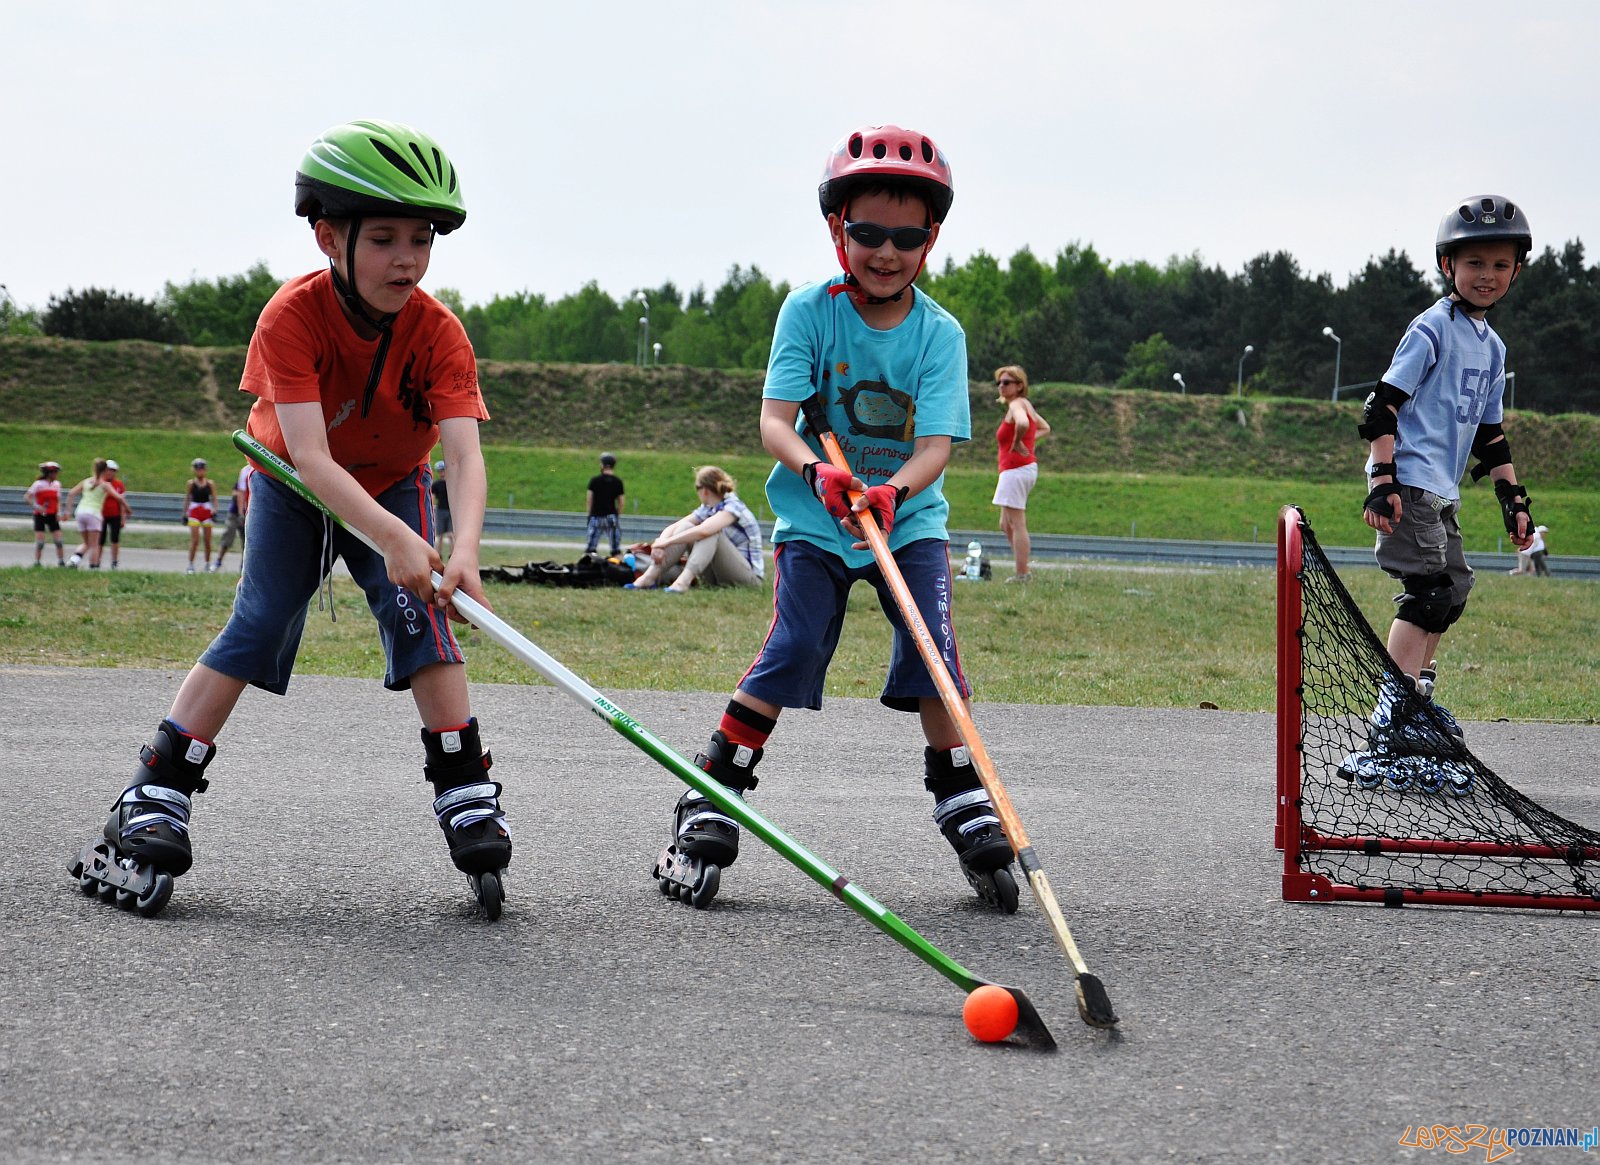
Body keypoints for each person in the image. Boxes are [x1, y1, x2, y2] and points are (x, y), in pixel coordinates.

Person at [69, 119, 512, 920]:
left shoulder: (440, 332)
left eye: (421, 239)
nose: (407, 259)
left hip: (395, 481)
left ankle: (465, 786)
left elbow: (465, 455)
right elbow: (310, 456)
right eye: (384, 239)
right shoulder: (292, 317)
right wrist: (394, 538)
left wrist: (465, 549)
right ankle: (155, 789)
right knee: (263, 617)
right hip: (292, 482)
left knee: (425, 615)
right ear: (328, 237)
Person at [652, 124, 1018, 913]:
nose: (886, 252)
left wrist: (892, 493)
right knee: (793, 644)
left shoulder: (940, 334)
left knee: (933, 646)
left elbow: (934, 447)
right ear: (836, 230)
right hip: (817, 523)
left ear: (930, 240)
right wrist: (818, 472)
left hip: (906, 521)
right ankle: (713, 786)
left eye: (906, 237)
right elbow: (775, 422)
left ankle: (962, 795)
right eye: (867, 233)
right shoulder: (808, 313)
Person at [1360, 195, 1535, 755]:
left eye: (1500, 265)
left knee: (1452, 592)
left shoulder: (1493, 348)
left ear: (1515, 271)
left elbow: (1490, 434)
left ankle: (1416, 697)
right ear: (1447, 265)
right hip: (1409, 480)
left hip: (1441, 489)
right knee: (1428, 593)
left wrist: (1512, 499)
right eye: (1474, 263)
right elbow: (1381, 406)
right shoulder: (1432, 329)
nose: (1487, 275)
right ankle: (1394, 712)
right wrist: (1382, 480)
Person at [624, 465, 763, 592]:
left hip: (748, 579)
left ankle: (682, 582)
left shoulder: (733, 506)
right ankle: (649, 577)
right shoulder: (708, 508)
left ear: (705, 490)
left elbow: (705, 530)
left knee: (711, 533)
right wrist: (660, 543)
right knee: (686, 527)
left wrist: (667, 542)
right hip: (717, 577)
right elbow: (676, 526)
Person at [991, 364, 1050, 582]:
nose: (1001, 386)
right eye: (999, 383)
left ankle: (1023, 573)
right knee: (1006, 524)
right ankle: (1023, 565)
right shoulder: (1025, 404)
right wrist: (1026, 441)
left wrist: (1017, 442)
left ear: (1019, 385)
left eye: (1006, 382)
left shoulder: (1017, 404)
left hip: (1016, 469)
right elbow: (1045, 428)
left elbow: (1024, 423)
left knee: (1016, 523)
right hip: (1019, 468)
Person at [65, 458, 112, 568]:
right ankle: (93, 567)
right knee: (95, 544)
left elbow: (71, 493)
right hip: (93, 513)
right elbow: (118, 497)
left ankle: (73, 561)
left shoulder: (86, 481)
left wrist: (68, 511)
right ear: (105, 470)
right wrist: (127, 508)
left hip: (80, 512)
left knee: (87, 543)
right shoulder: (104, 484)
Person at [24, 460, 67, 567]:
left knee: (59, 541)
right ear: (49, 473)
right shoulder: (38, 484)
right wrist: (37, 507)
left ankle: (61, 561)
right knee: (40, 542)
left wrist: (59, 512)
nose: (56, 475)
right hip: (40, 515)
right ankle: (37, 562)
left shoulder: (57, 484)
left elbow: (58, 500)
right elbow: (27, 497)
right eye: (55, 472)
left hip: (53, 515)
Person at [584, 452, 625, 557]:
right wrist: (617, 515)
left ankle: (589, 563)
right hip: (611, 517)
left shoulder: (594, 481)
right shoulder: (618, 482)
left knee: (590, 548)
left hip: (596, 516)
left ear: (602, 465)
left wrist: (589, 514)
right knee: (615, 549)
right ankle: (616, 563)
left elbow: (589, 500)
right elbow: (621, 502)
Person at [214, 463, 251, 572]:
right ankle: (218, 561)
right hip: (236, 512)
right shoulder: (245, 471)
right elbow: (239, 493)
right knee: (228, 534)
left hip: (250, 512)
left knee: (247, 541)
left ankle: (244, 567)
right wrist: (241, 513)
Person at [184, 458, 218, 573]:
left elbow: (214, 498)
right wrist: (185, 513)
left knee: (207, 541)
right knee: (195, 540)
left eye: (202, 469)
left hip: (206, 511)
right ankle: (191, 564)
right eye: (198, 469)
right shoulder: (191, 483)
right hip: (194, 511)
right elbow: (187, 498)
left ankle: (207, 564)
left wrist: (215, 510)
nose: (200, 471)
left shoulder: (210, 483)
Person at [100, 459, 133, 569]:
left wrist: (123, 518)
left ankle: (114, 561)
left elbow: (121, 501)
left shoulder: (118, 484)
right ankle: (97, 560)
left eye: (113, 471)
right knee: (100, 539)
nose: (110, 473)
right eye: (108, 470)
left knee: (115, 539)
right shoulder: (100, 483)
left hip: (115, 515)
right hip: (101, 515)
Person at [430, 459, 453, 559]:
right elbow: (433, 497)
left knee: (451, 534)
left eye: (443, 471)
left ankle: (452, 554)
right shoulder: (436, 485)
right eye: (440, 471)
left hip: (451, 511)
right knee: (439, 535)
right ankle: (438, 555)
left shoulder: (452, 483)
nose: (442, 473)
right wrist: (432, 509)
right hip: (440, 510)